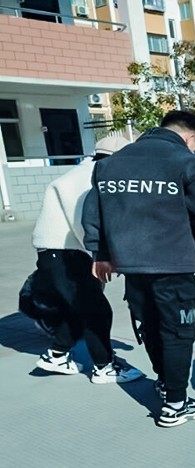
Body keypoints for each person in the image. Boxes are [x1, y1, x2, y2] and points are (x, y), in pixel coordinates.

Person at [82, 110, 195, 428]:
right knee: (177, 331)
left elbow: (94, 211)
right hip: (173, 266)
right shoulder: (186, 162)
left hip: (131, 267)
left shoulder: (111, 164)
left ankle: (165, 383)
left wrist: (100, 253)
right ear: (190, 137)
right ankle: (175, 405)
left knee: (150, 325)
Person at [29, 135, 144, 383]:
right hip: (67, 252)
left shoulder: (82, 171)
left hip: (58, 252)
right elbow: (84, 220)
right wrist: (103, 256)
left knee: (78, 307)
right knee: (97, 311)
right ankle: (104, 367)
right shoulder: (90, 177)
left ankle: (57, 355)